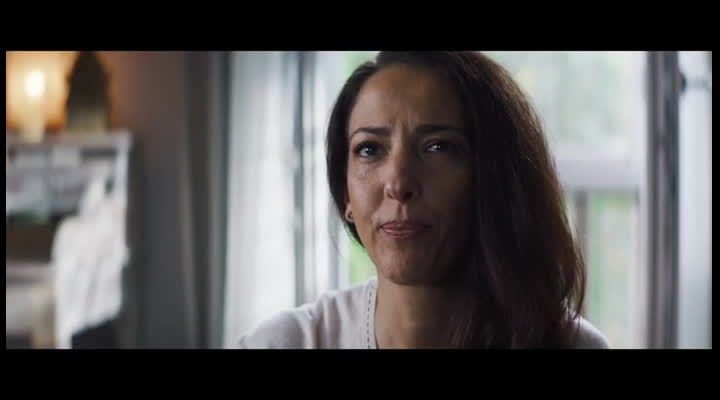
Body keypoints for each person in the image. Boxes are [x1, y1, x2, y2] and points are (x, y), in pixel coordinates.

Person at [237, 51, 610, 349]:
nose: (399, 184)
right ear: (345, 192)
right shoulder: (284, 343)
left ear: (492, 179)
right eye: (369, 149)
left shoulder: (572, 345)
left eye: (438, 147)